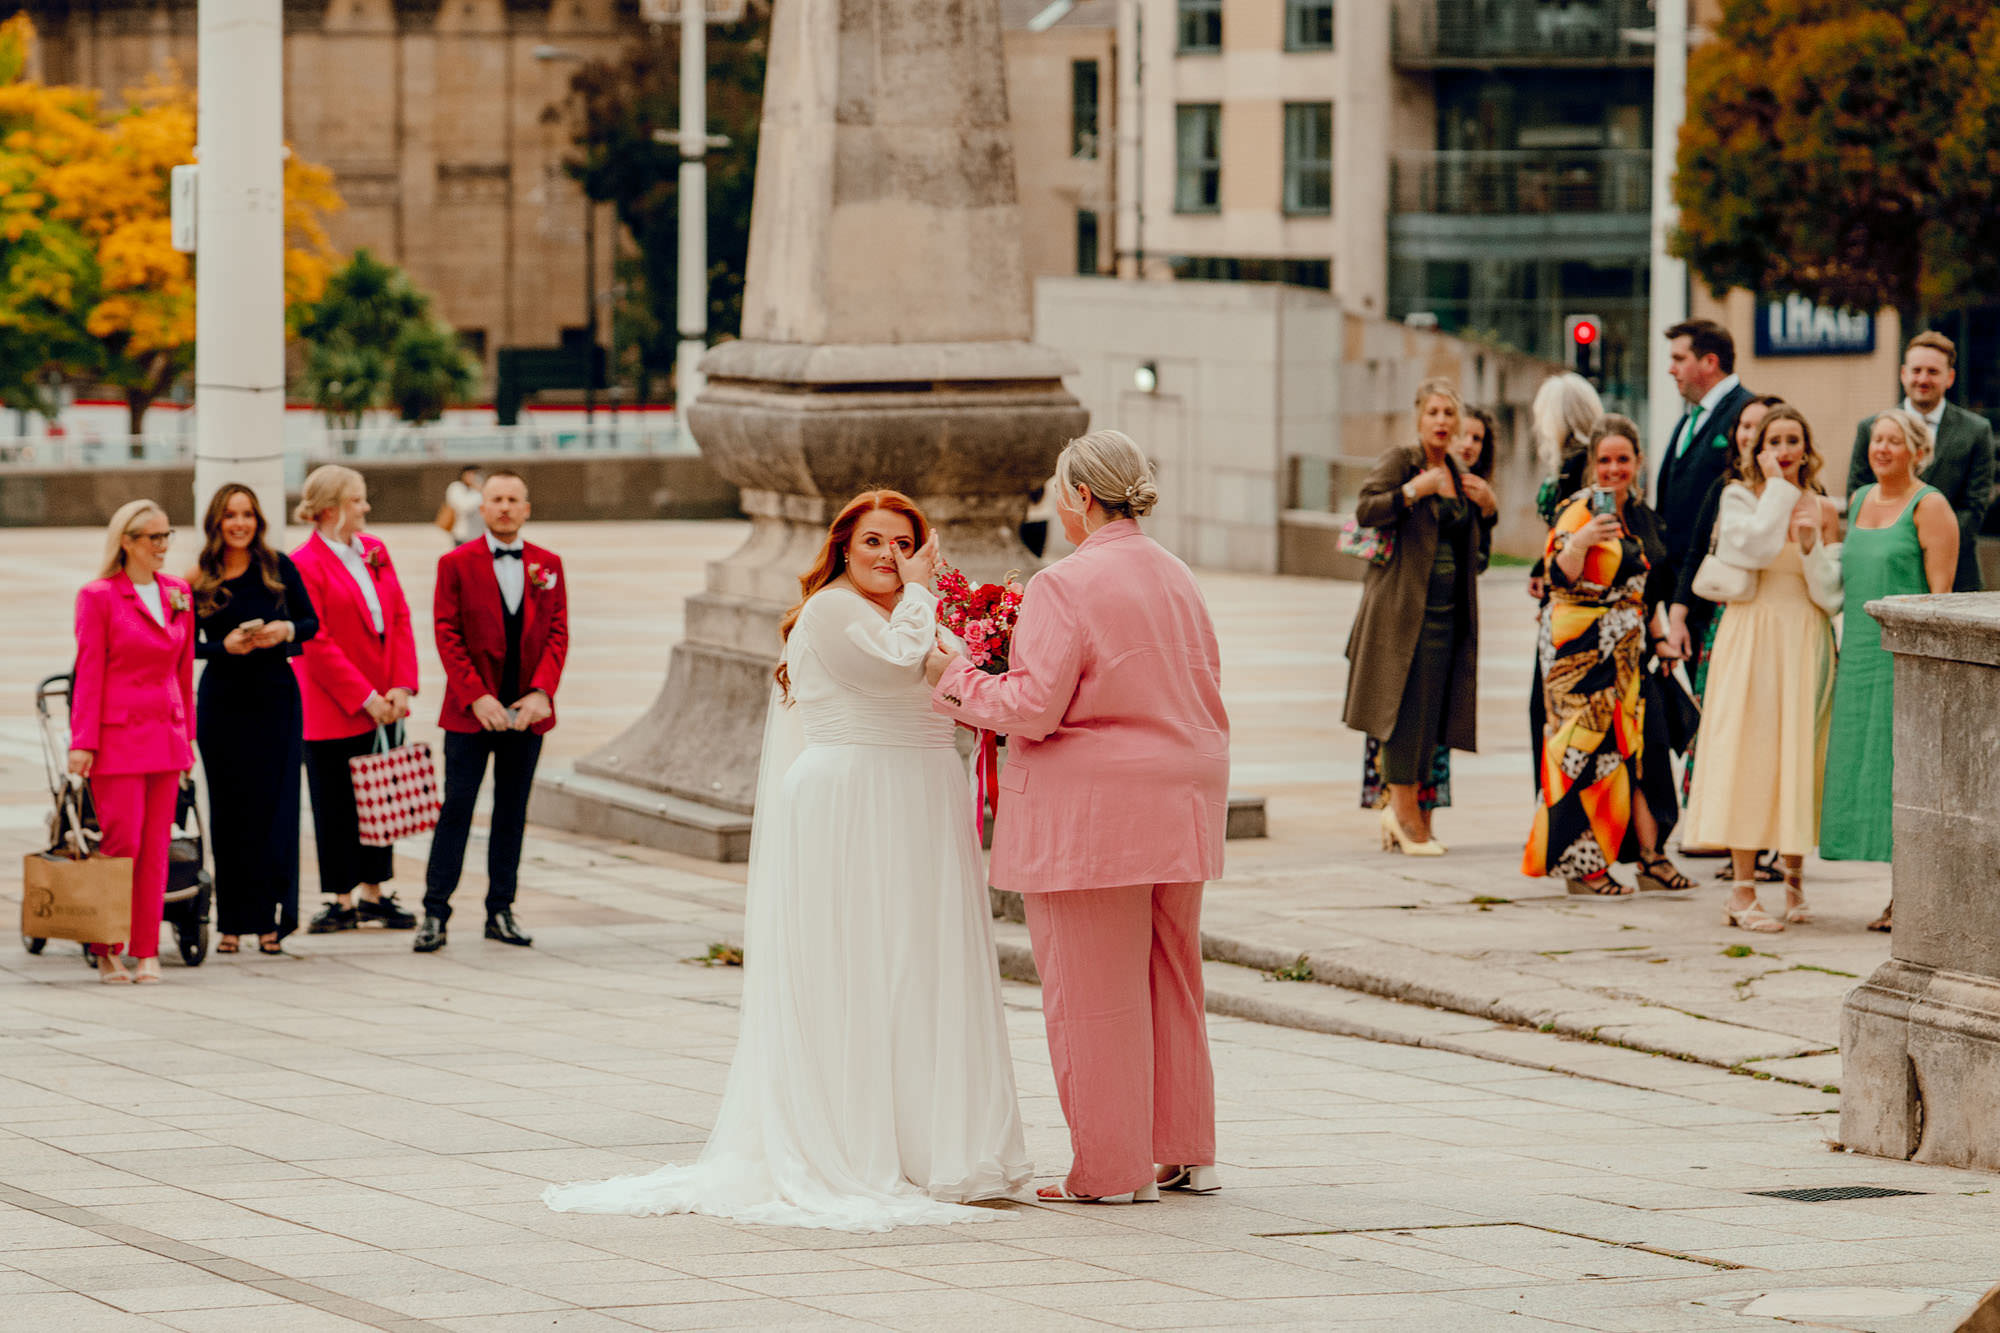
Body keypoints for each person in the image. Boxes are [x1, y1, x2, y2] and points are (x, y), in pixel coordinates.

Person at [546, 490, 1030, 1230]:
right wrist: (930, 595)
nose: (888, 557)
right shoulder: (831, 612)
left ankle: (939, 1145)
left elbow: (959, 680)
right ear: (842, 547)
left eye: (903, 543)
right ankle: (853, 1139)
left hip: (924, 796)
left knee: (925, 964)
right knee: (860, 966)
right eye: (873, 541)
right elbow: (901, 667)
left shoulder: (915, 606)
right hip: (853, 797)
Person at [926, 430, 1228, 1204]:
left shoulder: (1066, 583)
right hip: (1184, 794)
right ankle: (1184, 1148)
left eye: (1062, 492)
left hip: (1093, 811)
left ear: (1083, 498)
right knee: (1171, 972)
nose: (1059, 507)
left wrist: (955, 671)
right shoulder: (1177, 572)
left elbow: (1031, 706)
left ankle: (1110, 1168)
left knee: (1092, 990)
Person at [1682, 407, 1843, 933]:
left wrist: (1812, 545)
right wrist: (1776, 490)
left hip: (1804, 635)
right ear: (1758, 449)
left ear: (1807, 445)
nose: (1784, 448)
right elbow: (1748, 547)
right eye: (1774, 440)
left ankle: (1794, 879)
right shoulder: (1737, 497)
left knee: (1800, 752)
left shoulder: (1821, 506)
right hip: (1750, 635)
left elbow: (1830, 593)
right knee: (1749, 754)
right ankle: (1742, 891)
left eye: (1794, 439)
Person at [1523, 417, 1693, 897]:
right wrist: (1580, 542)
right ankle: (1582, 866)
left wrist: (1660, 638)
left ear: (1638, 462)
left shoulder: (1640, 514)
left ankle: (1647, 855)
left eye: (1622, 459)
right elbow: (1559, 577)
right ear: (1591, 465)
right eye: (1604, 460)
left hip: (1628, 650)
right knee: (1580, 755)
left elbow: (1646, 589)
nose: (1613, 469)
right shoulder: (1576, 510)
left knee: (1628, 754)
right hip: (1577, 651)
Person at [417, 470, 568, 953]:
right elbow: (447, 633)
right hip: (470, 713)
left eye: (513, 499)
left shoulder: (548, 565)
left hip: (527, 713)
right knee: (457, 808)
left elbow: (557, 633)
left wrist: (542, 691)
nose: (504, 507)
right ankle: (435, 912)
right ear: (481, 509)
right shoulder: (455, 563)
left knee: (511, 812)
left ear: (527, 509)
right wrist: (476, 695)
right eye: (495, 499)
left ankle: (500, 909)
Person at [1824, 409, 1958, 932]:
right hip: (1857, 655)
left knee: (1904, 776)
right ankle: (1893, 891)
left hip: (1903, 659)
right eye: (1876, 440)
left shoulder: (1931, 506)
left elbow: (1940, 598)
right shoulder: (1856, 501)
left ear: (1916, 451)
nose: (1881, 449)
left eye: (1893, 441)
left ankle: (1910, 897)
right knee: (1867, 775)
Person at [1345, 379, 1491, 855]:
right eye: (1434, 412)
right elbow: (1366, 510)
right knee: (1402, 712)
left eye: (1450, 413)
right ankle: (1402, 815)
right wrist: (1411, 491)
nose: (1443, 422)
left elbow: (1476, 551)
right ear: (1418, 417)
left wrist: (1487, 509)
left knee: (1434, 714)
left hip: (1450, 613)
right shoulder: (1402, 461)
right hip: (1402, 612)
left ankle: (1417, 813)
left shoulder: (1459, 470)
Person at [289, 465, 421, 934]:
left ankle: (376, 891)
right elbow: (316, 641)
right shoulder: (303, 563)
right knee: (336, 801)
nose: (365, 508)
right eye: (357, 500)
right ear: (330, 509)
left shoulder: (375, 551)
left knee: (379, 795)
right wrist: (365, 697)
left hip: (387, 700)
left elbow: (400, 616)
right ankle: (340, 897)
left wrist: (402, 686)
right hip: (334, 705)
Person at [68, 500, 195, 984]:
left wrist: (189, 739)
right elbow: (89, 673)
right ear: (127, 541)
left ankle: (147, 951)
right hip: (117, 739)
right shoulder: (98, 596)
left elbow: (183, 675)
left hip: (166, 735)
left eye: (167, 536)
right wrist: (83, 741)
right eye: (153, 537)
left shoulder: (178, 592)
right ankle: (107, 946)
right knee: (123, 842)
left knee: (158, 846)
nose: (163, 546)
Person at [190, 484, 320, 956]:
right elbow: (182, 645)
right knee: (229, 810)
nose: (239, 523)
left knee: (275, 810)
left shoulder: (279, 566)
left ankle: (270, 920)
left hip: (275, 698)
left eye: (247, 514)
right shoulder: (199, 576)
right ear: (217, 522)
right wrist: (220, 648)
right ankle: (231, 922)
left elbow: (310, 623)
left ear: (257, 520)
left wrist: (285, 630)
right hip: (222, 701)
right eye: (230, 515)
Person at [1665, 393, 1786, 873]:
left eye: (1764, 427)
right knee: (1722, 727)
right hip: (1724, 621)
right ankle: (1726, 831)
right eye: (1745, 426)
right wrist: (1676, 616)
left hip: (1778, 624)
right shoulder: (1725, 489)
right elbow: (1696, 552)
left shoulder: (1801, 489)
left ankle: (1767, 842)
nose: (1750, 435)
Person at [1845, 330, 1994, 592]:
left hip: (1956, 576)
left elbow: (1975, 506)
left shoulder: (1977, 431)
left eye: (1933, 372)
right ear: (1903, 374)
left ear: (1949, 377)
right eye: (1916, 371)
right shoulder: (1870, 428)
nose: (1922, 379)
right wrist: (1898, 546)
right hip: (1887, 574)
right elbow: (1857, 493)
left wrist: (1928, 545)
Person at [1525, 373, 1605, 786]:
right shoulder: (1587, 462)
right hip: (1572, 594)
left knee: (1551, 709)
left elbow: (1569, 535)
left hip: (1572, 603)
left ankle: (1552, 803)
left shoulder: (1576, 466)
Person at [1655, 319, 1756, 572]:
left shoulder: (1748, 413)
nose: (1670, 369)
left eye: (1679, 359)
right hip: (1678, 579)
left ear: (1710, 362)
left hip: (1718, 577)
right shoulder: (1690, 418)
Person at [444, 466, 485, 545]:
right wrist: (477, 491)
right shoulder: (456, 487)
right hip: (462, 535)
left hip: (479, 535)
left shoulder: (480, 491)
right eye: (471, 474)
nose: (474, 477)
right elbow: (465, 507)